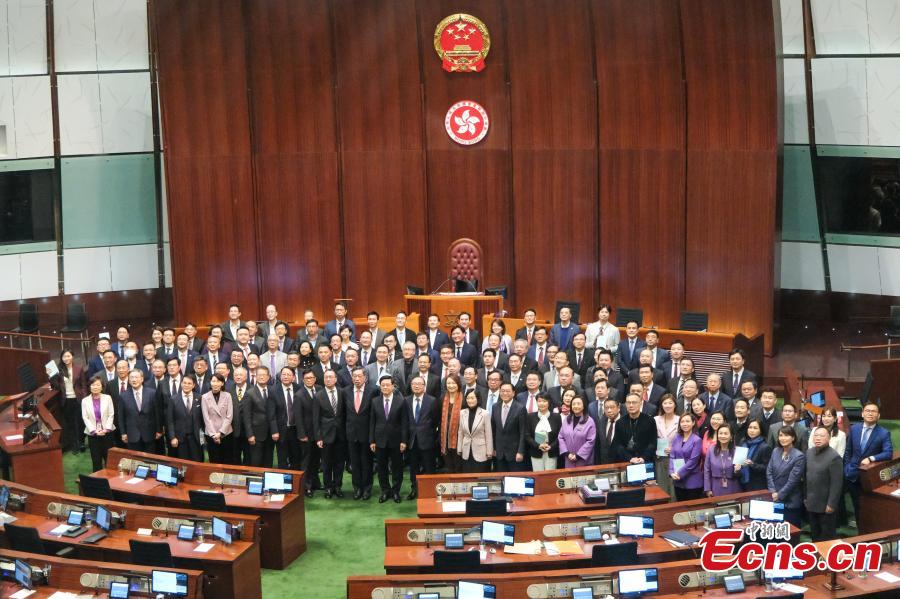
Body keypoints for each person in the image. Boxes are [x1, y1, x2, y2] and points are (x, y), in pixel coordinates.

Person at [844, 402, 893, 524]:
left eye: (873, 411)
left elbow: (888, 453)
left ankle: (865, 532)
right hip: (852, 475)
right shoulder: (854, 428)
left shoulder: (883, 433)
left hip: (869, 478)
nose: (870, 413)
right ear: (862, 413)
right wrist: (847, 468)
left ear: (878, 416)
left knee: (868, 508)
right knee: (856, 505)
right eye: (867, 411)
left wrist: (871, 458)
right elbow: (848, 451)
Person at [370, 374, 408, 503]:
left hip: (396, 440)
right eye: (383, 385)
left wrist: (404, 440)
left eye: (388, 385)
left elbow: (404, 422)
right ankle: (385, 491)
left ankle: (396, 491)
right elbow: (372, 422)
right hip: (379, 440)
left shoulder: (401, 401)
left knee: (397, 467)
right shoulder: (375, 401)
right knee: (382, 468)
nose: (385, 387)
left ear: (393, 386)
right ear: (380, 387)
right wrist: (372, 440)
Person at [806, 426, 844, 541]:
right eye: (816, 435)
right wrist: (805, 497)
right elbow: (806, 477)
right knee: (814, 534)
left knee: (826, 537)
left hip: (826, 505)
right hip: (811, 502)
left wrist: (831, 504)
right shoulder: (809, 453)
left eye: (822, 436)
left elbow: (837, 484)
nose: (818, 438)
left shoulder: (834, 457)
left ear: (829, 438)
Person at [314, 370, 346, 498]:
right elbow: (315, 418)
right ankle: (327, 487)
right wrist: (318, 437)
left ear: (335, 379)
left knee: (339, 462)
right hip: (325, 435)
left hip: (341, 434)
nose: (328, 379)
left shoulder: (342, 392)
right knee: (326, 463)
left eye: (331, 377)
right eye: (326, 377)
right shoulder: (318, 395)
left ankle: (337, 486)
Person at [344, 367, 375, 499]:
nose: (357, 379)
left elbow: (375, 414)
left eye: (359, 376)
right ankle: (357, 488)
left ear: (365, 378)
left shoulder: (373, 391)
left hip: (366, 433)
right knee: (354, 463)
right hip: (351, 433)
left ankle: (367, 489)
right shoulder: (345, 391)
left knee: (367, 463)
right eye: (354, 376)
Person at [767, 426, 806, 527]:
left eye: (786, 435)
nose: (783, 438)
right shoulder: (775, 451)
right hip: (774, 496)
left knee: (790, 532)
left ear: (793, 438)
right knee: (775, 529)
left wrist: (779, 495)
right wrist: (772, 491)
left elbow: (793, 481)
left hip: (790, 500)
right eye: (781, 435)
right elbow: (769, 472)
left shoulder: (799, 456)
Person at [406, 376, 438, 499]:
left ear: (424, 386)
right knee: (413, 468)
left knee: (429, 467)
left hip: (427, 440)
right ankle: (414, 489)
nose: (416, 386)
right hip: (412, 441)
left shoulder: (432, 400)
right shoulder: (406, 400)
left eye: (419, 384)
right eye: (414, 384)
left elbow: (435, 420)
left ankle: (430, 491)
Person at [118, 369, 161, 452]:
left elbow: (157, 414)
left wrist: (159, 430)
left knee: (150, 461)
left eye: (136, 377)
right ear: (129, 380)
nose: (134, 380)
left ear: (142, 379)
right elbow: (121, 417)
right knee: (135, 461)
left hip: (149, 433)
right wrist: (123, 433)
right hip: (132, 435)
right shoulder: (123, 396)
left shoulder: (152, 393)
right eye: (131, 377)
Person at [54, 349, 86, 453]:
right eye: (64, 357)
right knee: (70, 423)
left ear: (72, 356)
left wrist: (84, 398)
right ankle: (74, 445)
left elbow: (83, 385)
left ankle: (81, 442)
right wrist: (51, 377)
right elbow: (56, 386)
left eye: (68, 356)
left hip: (78, 399)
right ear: (61, 358)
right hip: (66, 400)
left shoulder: (78, 368)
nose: (66, 358)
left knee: (80, 422)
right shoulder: (59, 370)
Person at [81, 375, 115, 471]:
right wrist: (94, 431)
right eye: (93, 385)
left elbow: (111, 414)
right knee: (96, 461)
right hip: (93, 435)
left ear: (102, 386)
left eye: (97, 385)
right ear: (89, 386)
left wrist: (106, 429)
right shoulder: (85, 401)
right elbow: (85, 417)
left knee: (109, 459)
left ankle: (111, 482)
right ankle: (98, 482)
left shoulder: (108, 398)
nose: (95, 387)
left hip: (107, 433)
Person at [166, 376, 203, 461]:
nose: (186, 385)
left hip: (195, 438)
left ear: (193, 385)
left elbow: (202, 419)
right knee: (182, 463)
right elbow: (170, 420)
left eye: (189, 383)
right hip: (180, 438)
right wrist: (172, 437)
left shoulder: (199, 398)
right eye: (184, 383)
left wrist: (203, 437)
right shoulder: (173, 399)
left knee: (197, 462)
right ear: (181, 384)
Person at [669, 412, 704, 500]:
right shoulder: (677, 437)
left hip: (692, 480)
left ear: (693, 423)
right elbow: (672, 456)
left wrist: (679, 473)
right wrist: (671, 472)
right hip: (677, 480)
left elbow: (693, 461)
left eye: (687, 421)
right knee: (680, 507)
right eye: (682, 421)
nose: (685, 424)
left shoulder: (697, 440)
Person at [492, 382, 526, 471]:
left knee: (514, 480)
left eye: (508, 391)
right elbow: (494, 430)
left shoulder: (520, 408)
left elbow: (523, 432)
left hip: (514, 453)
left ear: (513, 393)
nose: (505, 393)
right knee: (501, 479)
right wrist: (494, 448)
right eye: (502, 391)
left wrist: (520, 452)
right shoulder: (495, 407)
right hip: (499, 452)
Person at [614, 393, 656, 464]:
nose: (631, 405)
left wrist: (643, 457)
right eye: (628, 403)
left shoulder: (650, 420)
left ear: (640, 404)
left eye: (634, 402)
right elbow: (618, 444)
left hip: (645, 461)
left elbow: (653, 443)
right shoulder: (620, 422)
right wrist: (629, 458)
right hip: (627, 461)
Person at [457, 390, 493, 473]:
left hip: (481, 452)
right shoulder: (462, 413)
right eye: (468, 398)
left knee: (479, 478)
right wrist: (459, 448)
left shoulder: (485, 413)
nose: (470, 400)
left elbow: (488, 434)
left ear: (478, 399)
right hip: (466, 451)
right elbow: (460, 432)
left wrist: (489, 452)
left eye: (472, 398)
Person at [202, 373, 234, 464]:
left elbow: (229, 416)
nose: (215, 383)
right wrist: (214, 435)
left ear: (222, 383)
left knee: (227, 460)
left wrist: (220, 433)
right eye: (213, 381)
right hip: (211, 434)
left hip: (226, 433)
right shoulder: (205, 397)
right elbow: (206, 417)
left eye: (218, 381)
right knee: (214, 460)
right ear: (210, 383)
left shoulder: (227, 395)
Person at [525, 393, 561, 471]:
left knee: (550, 477)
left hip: (551, 451)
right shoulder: (530, 416)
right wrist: (538, 445)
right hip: (536, 451)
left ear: (549, 402)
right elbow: (527, 435)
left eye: (544, 401)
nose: (542, 403)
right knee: (538, 477)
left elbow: (560, 436)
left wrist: (551, 446)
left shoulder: (556, 417)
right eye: (539, 401)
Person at [558, 396, 596, 468]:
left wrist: (578, 455)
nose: (576, 406)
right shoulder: (567, 419)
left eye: (578, 404)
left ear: (584, 405)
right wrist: (567, 453)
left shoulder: (590, 421)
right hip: (568, 459)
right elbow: (561, 437)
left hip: (584, 460)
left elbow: (591, 441)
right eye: (574, 404)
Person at [704, 425, 739, 497]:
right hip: (715, 486)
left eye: (726, 433)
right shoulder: (711, 449)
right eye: (720, 433)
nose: (723, 436)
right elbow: (707, 470)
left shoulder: (737, 451)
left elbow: (742, 475)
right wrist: (707, 489)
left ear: (731, 436)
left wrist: (737, 470)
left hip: (733, 486)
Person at [654, 394, 679, 497]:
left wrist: (674, 449)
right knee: (661, 486)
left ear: (675, 405)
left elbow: (684, 440)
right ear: (661, 405)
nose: (668, 405)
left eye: (670, 403)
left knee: (673, 487)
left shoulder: (680, 420)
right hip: (659, 457)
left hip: (676, 458)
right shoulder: (655, 419)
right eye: (665, 403)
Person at [439, 374, 464, 473]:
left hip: (459, 438)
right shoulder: (442, 398)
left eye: (453, 383)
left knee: (458, 466)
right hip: (444, 438)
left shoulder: (464, 399)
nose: (451, 385)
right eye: (448, 383)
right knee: (448, 467)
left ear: (458, 384)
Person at [737, 419, 771, 491]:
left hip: (756, 485)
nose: (752, 430)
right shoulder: (742, 442)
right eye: (750, 427)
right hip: (741, 482)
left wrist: (753, 464)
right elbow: (738, 461)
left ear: (760, 430)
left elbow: (767, 468)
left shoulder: (765, 447)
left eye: (755, 428)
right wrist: (737, 467)